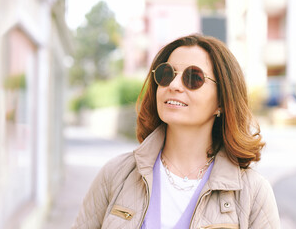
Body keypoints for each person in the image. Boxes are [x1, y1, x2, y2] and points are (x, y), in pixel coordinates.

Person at [72, 34, 280, 229]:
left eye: (193, 78)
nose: (173, 85)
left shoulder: (253, 192)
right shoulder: (116, 174)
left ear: (222, 101)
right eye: (166, 74)